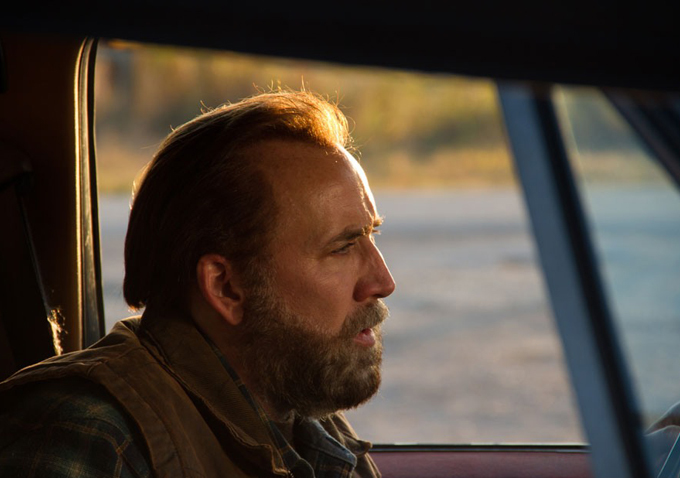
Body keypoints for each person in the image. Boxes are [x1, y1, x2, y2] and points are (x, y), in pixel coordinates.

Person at [0, 90, 396, 477]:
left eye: (370, 235)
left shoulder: (307, 418)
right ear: (225, 287)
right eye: (342, 248)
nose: (383, 281)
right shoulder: (89, 434)